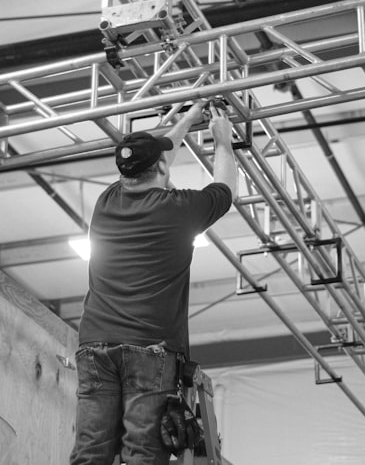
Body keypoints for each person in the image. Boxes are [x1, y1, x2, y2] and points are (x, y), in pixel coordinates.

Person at [71, 100, 238, 465]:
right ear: (161, 167)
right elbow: (225, 190)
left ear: (125, 173)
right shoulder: (179, 210)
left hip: (95, 345)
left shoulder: (107, 201)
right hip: (149, 347)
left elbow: (159, 157)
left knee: (90, 451)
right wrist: (222, 142)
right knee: (143, 452)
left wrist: (189, 119)